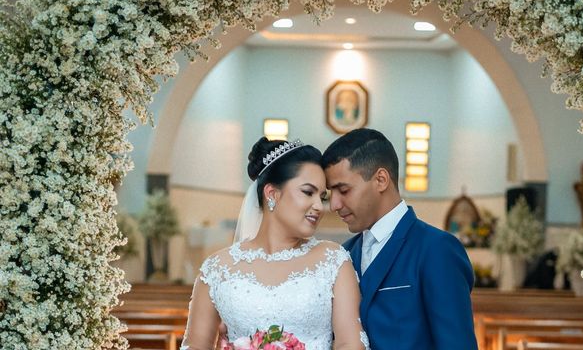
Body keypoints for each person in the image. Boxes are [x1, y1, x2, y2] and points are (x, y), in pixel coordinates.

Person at [180, 137, 369, 350]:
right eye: (308, 192)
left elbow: (350, 344)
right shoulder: (216, 269)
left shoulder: (333, 261)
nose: (319, 206)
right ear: (272, 194)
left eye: (322, 197)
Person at [321, 128, 478, 350]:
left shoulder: (436, 250)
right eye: (330, 194)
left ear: (381, 180)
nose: (334, 204)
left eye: (343, 190)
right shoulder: (343, 254)